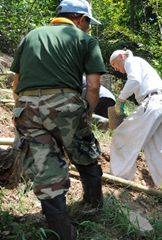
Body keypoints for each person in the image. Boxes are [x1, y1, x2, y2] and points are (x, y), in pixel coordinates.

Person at [10, 0, 106, 239]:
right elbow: (93, 87)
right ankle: (93, 207)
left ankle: (61, 232)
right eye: (88, 24)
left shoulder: (30, 36)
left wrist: (20, 111)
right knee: (84, 152)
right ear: (80, 18)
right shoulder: (86, 41)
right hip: (65, 104)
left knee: (44, 167)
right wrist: (86, 115)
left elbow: (16, 84)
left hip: (26, 106)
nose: (88, 29)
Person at [109, 49, 162, 192]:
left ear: (122, 57)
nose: (117, 70)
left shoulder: (132, 61)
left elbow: (134, 80)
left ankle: (120, 175)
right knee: (160, 148)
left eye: (115, 65)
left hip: (153, 103)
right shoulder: (141, 63)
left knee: (121, 134)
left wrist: (120, 100)